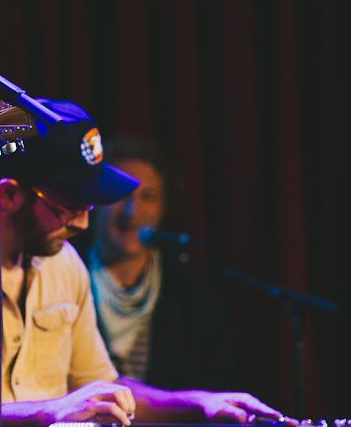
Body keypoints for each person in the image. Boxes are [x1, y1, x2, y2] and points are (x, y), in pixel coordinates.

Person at [0, 100, 286, 426]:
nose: (84, 223)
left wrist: (198, 405)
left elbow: (102, 389)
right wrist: (55, 411)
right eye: (69, 207)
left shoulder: (62, 262)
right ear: (9, 194)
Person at [87, 136, 238, 392]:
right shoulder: (65, 274)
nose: (132, 212)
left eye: (149, 197)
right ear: (96, 201)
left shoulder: (191, 292)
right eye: (121, 194)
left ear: (164, 207)